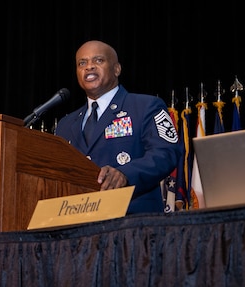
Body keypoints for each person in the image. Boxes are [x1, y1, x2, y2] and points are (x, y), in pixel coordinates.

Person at [55, 40, 181, 214]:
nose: (89, 67)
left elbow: (166, 153)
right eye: (82, 63)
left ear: (116, 69)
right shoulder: (65, 124)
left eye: (98, 60)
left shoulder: (146, 106)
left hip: (132, 224)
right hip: (78, 224)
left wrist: (126, 174)